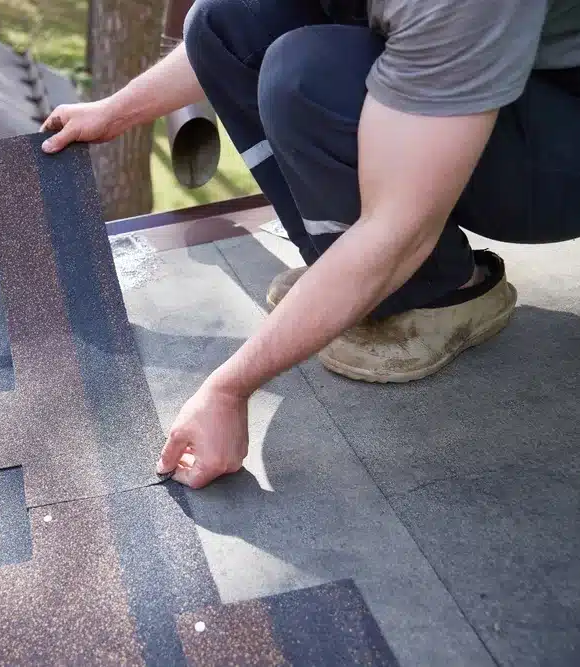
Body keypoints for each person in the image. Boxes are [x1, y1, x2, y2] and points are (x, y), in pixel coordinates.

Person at [41, 0, 580, 490]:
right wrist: (116, 110)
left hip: (560, 146)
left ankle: (442, 293)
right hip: (493, 70)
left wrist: (229, 388)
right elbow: (229, 34)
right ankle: (347, 276)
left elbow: (400, 230)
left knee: (305, 76)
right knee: (223, 21)